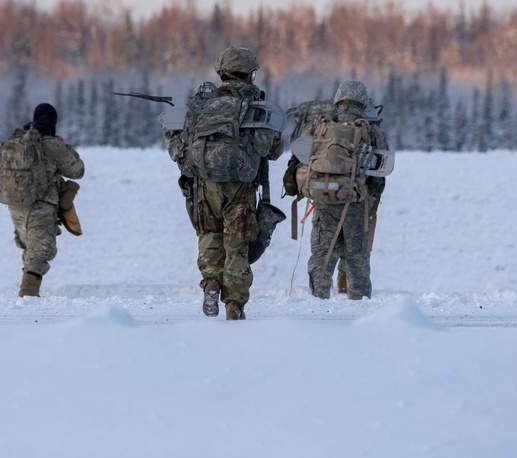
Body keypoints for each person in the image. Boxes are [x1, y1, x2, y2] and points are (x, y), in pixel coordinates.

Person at [164, 47, 284, 320]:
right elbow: (272, 150)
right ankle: (234, 305)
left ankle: (212, 283)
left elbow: (180, 144)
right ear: (250, 74)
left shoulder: (201, 104)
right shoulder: (255, 107)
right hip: (240, 186)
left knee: (209, 236)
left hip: (203, 183)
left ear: (221, 73)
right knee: (237, 245)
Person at [305, 80, 388, 300]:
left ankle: (317, 300)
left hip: (324, 198)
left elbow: (303, 156)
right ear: (363, 101)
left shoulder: (322, 125)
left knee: (322, 254)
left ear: (338, 99)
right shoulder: (371, 130)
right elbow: (382, 171)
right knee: (357, 257)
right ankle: (358, 303)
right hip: (358, 204)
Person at [0, 103, 85, 297]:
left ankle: (27, 293)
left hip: (15, 203)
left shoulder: (18, 141)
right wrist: (63, 145)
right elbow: (78, 170)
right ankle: (28, 298)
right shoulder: (51, 144)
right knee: (40, 252)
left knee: (31, 247)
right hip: (41, 204)